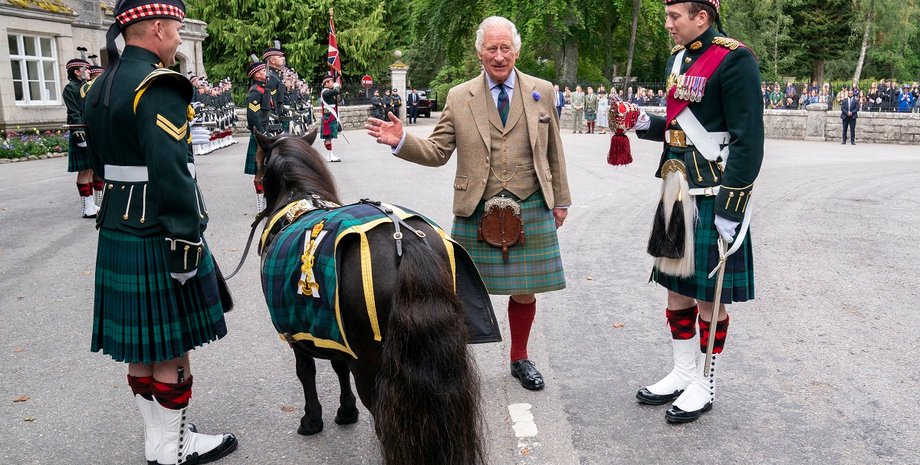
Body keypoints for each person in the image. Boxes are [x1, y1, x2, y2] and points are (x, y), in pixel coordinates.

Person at [365, 15, 571, 392]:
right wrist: (401, 140)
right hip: (477, 206)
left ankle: (520, 358)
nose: (498, 56)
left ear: (516, 50)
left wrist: (561, 202)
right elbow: (438, 150)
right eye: (491, 48)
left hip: (531, 203)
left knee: (524, 289)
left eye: (504, 47)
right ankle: (455, 361)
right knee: (460, 291)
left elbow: (554, 152)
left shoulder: (542, 90)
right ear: (479, 52)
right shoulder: (460, 96)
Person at [83, 0, 238, 463]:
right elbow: (172, 170)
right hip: (158, 227)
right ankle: (173, 450)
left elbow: (98, 161)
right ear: (155, 27)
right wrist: (185, 241)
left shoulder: (99, 84)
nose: (176, 37)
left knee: (141, 345)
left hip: (116, 221)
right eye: (175, 27)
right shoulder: (160, 84)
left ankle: (160, 442)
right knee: (171, 345)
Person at [617, 0, 763, 424]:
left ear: (702, 16)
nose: (667, 25)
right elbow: (681, 127)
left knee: (706, 297)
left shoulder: (734, 60)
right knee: (676, 287)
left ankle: (705, 381)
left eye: (673, 16)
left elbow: (747, 139)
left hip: (713, 192)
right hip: (676, 188)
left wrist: (730, 207)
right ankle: (682, 371)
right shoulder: (678, 59)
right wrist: (643, 123)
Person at [63, 54, 99, 218]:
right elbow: (74, 112)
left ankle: (93, 203)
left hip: (91, 131)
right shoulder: (71, 88)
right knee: (84, 170)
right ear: (77, 71)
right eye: (85, 69)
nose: (88, 71)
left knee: (91, 169)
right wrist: (80, 135)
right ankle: (86, 207)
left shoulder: (86, 86)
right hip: (81, 131)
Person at [245, 60, 272, 211]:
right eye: (262, 72)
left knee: (267, 168)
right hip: (260, 134)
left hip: (266, 131)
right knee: (259, 169)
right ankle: (260, 204)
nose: (265, 74)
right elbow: (253, 115)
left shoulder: (263, 89)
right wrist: (260, 133)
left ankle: (267, 201)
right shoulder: (255, 91)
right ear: (256, 74)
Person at [263, 42, 287, 131]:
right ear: (272, 61)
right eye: (279, 57)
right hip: (272, 116)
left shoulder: (277, 76)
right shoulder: (270, 77)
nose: (282, 59)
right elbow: (270, 100)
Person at [320, 75, 342, 162]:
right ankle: (330, 155)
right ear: (326, 83)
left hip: (330, 116)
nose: (333, 83)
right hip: (328, 117)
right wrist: (336, 85)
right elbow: (336, 91)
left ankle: (330, 155)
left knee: (329, 137)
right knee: (328, 137)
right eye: (331, 81)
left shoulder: (328, 92)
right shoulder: (325, 92)